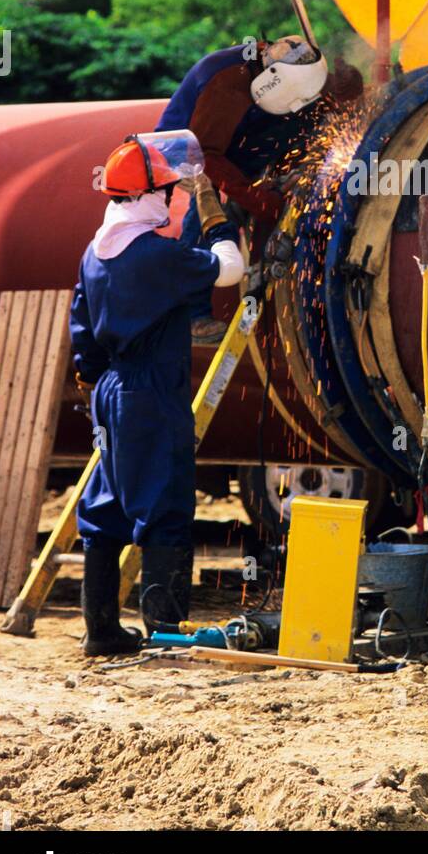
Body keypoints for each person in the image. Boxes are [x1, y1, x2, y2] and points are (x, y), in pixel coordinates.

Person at [70, 131, 244, 656]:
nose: (172, 200)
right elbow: (229, 269)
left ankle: (100, 632)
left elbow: (82, 329)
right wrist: (214, 213)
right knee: (164, 507)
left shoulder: (95, 253)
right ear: (147, 195)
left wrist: (94, 383)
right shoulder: (155, 256)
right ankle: (165, 636)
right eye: (168, 192)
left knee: (105, 509)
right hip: (150, 393)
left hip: (111, 391)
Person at [156, 36, 363, 342]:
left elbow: (324, 91)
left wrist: (350, 85)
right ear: (268, 81)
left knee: (305, 120)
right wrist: (260, 200)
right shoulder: (225, 85)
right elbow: (209, 158)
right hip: (190, 148)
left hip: (245, 129)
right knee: (207, 210)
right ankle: (192, 314)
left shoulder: (295, 64)